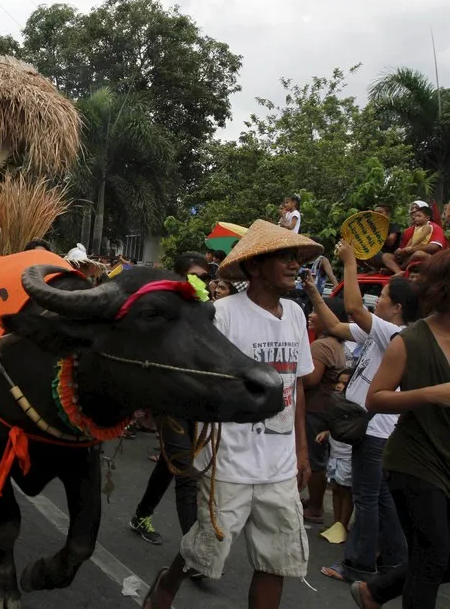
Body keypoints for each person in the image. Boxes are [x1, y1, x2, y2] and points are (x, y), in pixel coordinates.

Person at [145, 220, 318, 609]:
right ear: (255, 266)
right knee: (203, 555)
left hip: (280, 466)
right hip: (228, 463)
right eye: (284, 257)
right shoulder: (219, 315)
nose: (294, 265)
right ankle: (167, 585)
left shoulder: (293, 314)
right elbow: (187, 381)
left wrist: (302, 451)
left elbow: (298, 386)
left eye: (296, 258)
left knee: (278, 561)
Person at [308, 240, 418, 583]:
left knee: (366, 498)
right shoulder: (379, 332)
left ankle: (358, 563)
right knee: (379, 497)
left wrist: (351, 262)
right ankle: (397, 559)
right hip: (370, 429)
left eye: (383, 296)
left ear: (397, 307)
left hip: (375, 431)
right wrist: (314, 293)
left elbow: (354, 309)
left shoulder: (394, 332)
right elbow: (337, 325)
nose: (377, 301)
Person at [350, 251, 450, 609]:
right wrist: (430, 395)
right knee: (433, 555)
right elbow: (374, 398)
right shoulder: (410, 340)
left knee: (439, 557)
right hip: (415, 461)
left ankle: (374, 592)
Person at [126, 253, 206, 548]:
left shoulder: (207, 314)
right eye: (195, 275)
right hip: (167, 398)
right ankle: (195, 549)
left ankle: (140, 515)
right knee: (185, 472)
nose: (201, 282)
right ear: (179, 278)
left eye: (206, 277)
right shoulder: (159, 312)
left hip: (195, 399)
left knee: (169, 462)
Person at [301, 295, 350, 527]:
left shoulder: (321, 346)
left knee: (314, 459)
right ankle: (314, 501)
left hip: (316, 409)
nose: (311, 315)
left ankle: (315, 508)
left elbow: (310, 379)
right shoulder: (338, 344)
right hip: (328, 410)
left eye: (316, 312)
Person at [383, 203, 445, 275]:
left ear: (427, 217)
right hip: (410, 257)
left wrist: (412, 249)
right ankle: (399, 272)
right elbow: (406, 246)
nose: (414, 211)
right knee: (386, 256)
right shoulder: (408, 231)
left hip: (430, 260)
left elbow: (434, 247)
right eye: (412, 209)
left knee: (419, 254)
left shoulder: (433, 227)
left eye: (417, 208)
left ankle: (398, 268)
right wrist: (400, 251)